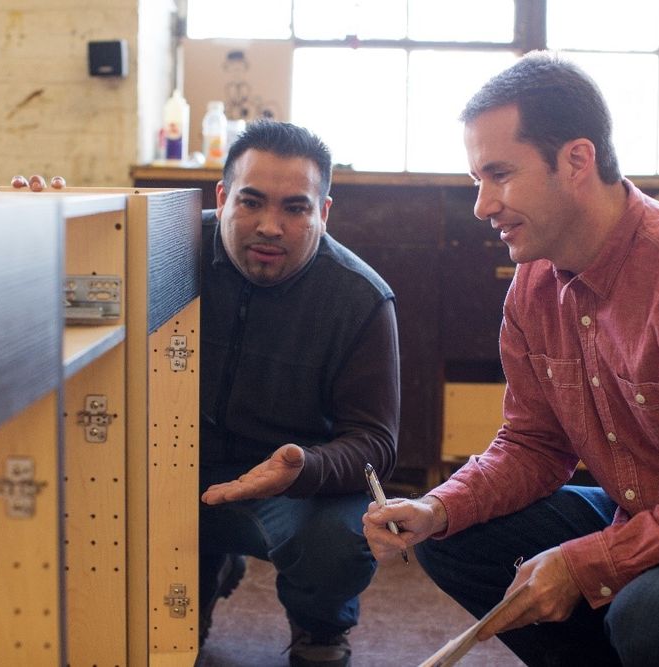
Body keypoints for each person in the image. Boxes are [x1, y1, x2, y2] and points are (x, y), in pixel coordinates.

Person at [363, 50, 659, 667]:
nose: (481, 205)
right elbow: (533, 444)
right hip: (653, 513)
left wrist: (587, 563)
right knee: (454, 534)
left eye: (499, 174)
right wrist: (436, 507)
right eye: (477, 179)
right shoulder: (533, 284)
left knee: (653, 617)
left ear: (576, 160)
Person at [198, 120, 400, 667]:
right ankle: (205, 569)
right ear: (222, 197)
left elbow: (376, 443)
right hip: (173, 470)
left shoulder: (361, 299)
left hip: (293, 487)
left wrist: (305, 467)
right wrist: (42, 215)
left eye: (295, 208)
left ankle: (320, 626)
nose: (271, 227)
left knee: (336, 543)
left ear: (323, 212)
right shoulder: (167, 249)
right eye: (251, 202)